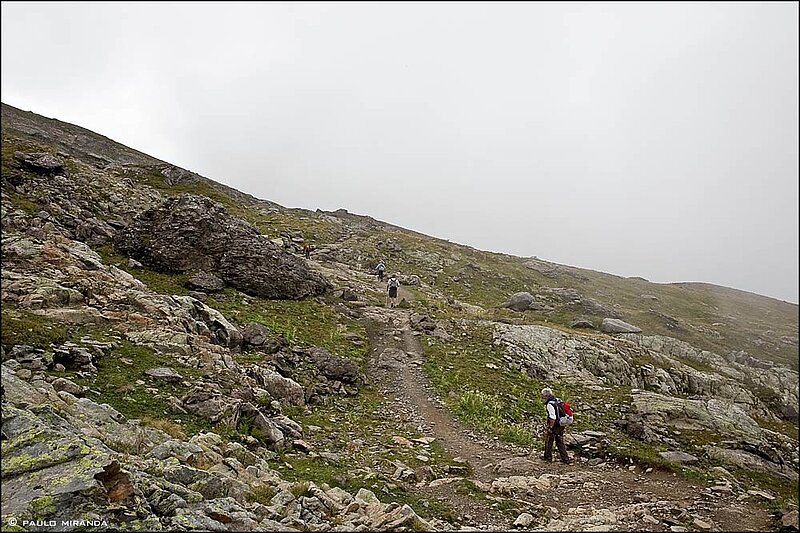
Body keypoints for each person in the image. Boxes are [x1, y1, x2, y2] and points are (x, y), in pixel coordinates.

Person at [540, 387, 574, 464]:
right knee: (559, 441)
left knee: (549, 440)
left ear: (546, 396)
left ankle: (547, 457)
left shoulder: (550, 404)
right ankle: (565, 459)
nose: (542, 397)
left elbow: (552, 417)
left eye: (543, 396)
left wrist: (550, 427)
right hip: (562, 423)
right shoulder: (558, 400)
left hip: (555, 424)